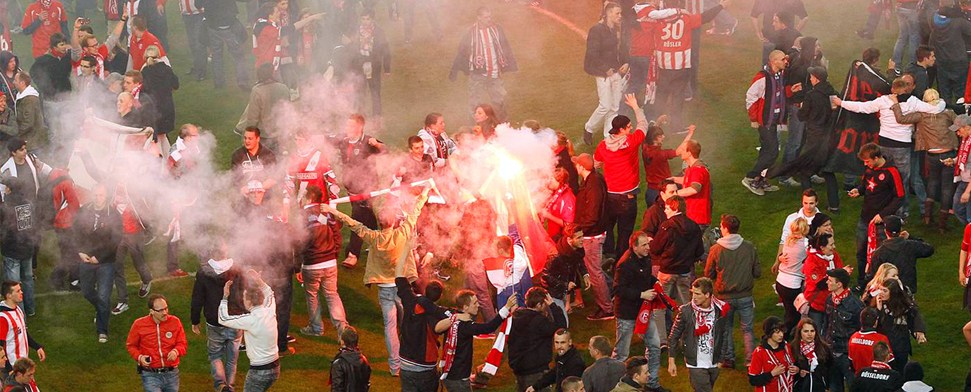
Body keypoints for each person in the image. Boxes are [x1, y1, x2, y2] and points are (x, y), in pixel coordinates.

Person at [322, 186, 430, 377]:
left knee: (390, 328)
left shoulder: (373, 238)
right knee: (408, 323)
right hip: (403, 288)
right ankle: (408, 358)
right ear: (394, 222)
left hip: (385, 290)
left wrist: (332, 210)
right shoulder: (403, 232)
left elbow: (352, 223)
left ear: (380, 224)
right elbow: (415, 211)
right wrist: (425, 192)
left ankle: (395, 366)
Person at [612, 230, 673, 392]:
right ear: (634, 247)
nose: (648, 247)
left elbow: (645, 277)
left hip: (644, 312)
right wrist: (641, 294)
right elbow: (618, 289)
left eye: (648, 243)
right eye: (644, 244)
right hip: (626, 315)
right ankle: (615, 385)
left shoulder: (645, 258)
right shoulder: (624, 264)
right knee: (621, 353)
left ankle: (652, 383)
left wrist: (655, 282)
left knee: (654, 346)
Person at [891, 89, 958, 229]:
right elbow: (959, 127)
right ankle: (942, 224)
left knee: (932, 182)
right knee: (946, 187)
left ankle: (928, 218)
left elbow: (901, 119)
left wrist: (895, 105)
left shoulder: (921, 115)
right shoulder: (948, 113)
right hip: (948, 154)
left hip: (931, 154)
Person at [704, 214, 760, 369]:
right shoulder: (749, 247)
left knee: (726, 328)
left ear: (725, 228)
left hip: (723, 297)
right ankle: (750, 361)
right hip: (745, 296)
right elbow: (757, 272)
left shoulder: (716, 249)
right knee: (747, 329)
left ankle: (728, 359)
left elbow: (708, 274)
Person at [595, 93, 646, 259]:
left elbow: (596, 164)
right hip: (627, 197)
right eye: (628, 127)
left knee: (608, 227)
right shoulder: (630, 142)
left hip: (610, 195)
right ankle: (620, 259)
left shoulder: (603, 145)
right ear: (622, 129)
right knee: (625, 231)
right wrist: (635, 106)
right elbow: (643, 125)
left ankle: (608, 255)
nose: (631, 129)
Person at [331, 113, 385, 269]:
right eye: (347, 125)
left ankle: (352, 253)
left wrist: (377, 145)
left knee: (357, 218)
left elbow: (385, 151)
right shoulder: (344, 140)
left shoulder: (368, 141)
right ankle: (379, 241)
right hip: (351, 186)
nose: (348, 128)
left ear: (360, 127)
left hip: (366, 187)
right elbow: (328, 140)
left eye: (352, 126)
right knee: (367, 215)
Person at [848, 143, 905, 289]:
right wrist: (858, 191)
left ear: (877, 157)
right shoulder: (869, 169)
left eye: (867, 161)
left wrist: (883, 214)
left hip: (881, 223)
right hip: (865, 219)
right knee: (861, 252)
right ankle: (862, 282)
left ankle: (877, 284)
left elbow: (900, 197)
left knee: (878, 255)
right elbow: (866, 185)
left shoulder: (892, 172)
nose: (865, 164)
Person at [435, 291, 517, 392]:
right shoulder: (466, 326)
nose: (478, 305)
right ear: (465, 307)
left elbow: (435, 309)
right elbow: (488, 327)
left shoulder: (452, 315)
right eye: (474, 303)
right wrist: (506, 307)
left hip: (450, 374)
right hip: (459, 379)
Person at [190, 240, 243, 392]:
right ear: (226, 252)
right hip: (235, 320)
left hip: (214, 321)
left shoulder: (203, 272)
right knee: (232, 358)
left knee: (215, 355)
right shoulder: (237, 269)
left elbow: (197, 298)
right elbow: (244, 294)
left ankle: (220, 385)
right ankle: (230, 386)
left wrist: (195, 320)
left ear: (212, 253)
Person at [449, 6, 517, 122]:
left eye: (490, 16)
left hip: (494, 73)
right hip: (477, 74)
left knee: (500, 101)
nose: (489, 19)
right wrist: (454, 70)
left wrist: (512, 65)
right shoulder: (471, 32)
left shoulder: (496, 29)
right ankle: (474, 129)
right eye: (486, 17)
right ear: (479, 18)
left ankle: (503, 127)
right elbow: (462, 51)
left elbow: (505, 46)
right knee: (475, 104)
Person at [297, 185, 348, 338]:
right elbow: (337, 236)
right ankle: (343, 330)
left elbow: (301, 242)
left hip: (312, 264)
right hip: (330, 262)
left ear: (310, 198)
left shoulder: (303, 215)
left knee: (312, 295)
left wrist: (300, 264)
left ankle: (316, 328)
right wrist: (334, 254)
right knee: (332, 294)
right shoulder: (328, 212)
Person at [219, 269, 280, 392]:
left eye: (244, 298)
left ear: (249, 301)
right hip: (275, 368)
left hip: (259, 371)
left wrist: (225, 296)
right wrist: (259, 281)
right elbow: (270, 293)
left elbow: (223, 319)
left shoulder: (250, 320)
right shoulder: (270, 309)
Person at [75, 184, 121, 343]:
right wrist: (80, 251)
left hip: (106, 262)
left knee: (103, 295)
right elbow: (76, 233)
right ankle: (102, 310)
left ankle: (102, 330)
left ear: (106, 196)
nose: (98, 197)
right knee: (87, 292)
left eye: (101, 195)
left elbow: (115, 240)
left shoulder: (113, 215)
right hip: (86, 260)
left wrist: (99, 257)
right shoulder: (83, 211)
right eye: (95, 194)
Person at [667, 277, 729, 392]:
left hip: (714, 362)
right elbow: (674, 336)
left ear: (707, 295)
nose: (694, 297)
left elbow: (724, 335)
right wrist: (671, 361)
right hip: (696, 364)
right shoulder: (686, 311)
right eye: (693, 293)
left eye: (697, 294)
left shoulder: (720, 310)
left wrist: (721, 359)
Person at [395, 255, 447, 391]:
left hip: (406, 363)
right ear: (440, 296)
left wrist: (406, 249)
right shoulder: (439, 314)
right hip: (426, 366)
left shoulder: (410, 301)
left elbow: (399, 275)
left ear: (425, 290)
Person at [572, 153, 614, 321]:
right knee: (597, 269)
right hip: (594, 232)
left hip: (592, 235)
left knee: (594, 272)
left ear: (581, 167)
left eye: (577, 164)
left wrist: (579, 228)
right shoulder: (592, 179)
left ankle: (606, 308)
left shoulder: (593, 184)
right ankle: (612, 292)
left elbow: (593, 214)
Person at [742, 50, 789, 195]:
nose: (786, 61)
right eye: (783, 59)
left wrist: (790, 91)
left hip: (773, 120)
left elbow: (778, 94)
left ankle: (760, 180)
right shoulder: (762, 77)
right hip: (765, 122)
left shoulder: (779, 75)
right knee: (773, 152)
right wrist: (754, 119)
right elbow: (750, 97)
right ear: (774, 61)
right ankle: (750, 178)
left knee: (766, 151)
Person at [582, 2, 627, 141]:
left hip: (615, 72)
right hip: (602, 73)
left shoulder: (614, 29)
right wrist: (605, 68)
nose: (620, 16)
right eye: (617, 13)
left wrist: (624, 63)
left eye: (620, 13)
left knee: (614, 107)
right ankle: (588, 128)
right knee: (605, 105)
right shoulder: (596, 30)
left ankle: (608, 135)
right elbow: (592, 54)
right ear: (608, 13)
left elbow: (617, 51)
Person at [508, 287, 568, 391]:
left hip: (519, 368)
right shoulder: (539, 321)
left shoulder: (516, 316)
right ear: (539, 305)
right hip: (535, 371)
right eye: (544, 303)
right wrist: (553, 306)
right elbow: (561, 328)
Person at [126, 294, 188, 392]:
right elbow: (131, 345)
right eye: (160, 310)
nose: (165, 313)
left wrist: (176, 351)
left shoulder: (175, 322)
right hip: (150, 374)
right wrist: (140, 357)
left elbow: (182, 343)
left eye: (166, 308)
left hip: (172, 373)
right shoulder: (139, 324)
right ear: (151, 311)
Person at [652, 196, 705, 309]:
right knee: (685, 303)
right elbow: (699, 250)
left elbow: (655, 248)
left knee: (662, 303)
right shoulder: (694, 226)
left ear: (675, 209)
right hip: (685, 270)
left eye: (667, 208)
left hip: (667, 270)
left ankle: (663, 326)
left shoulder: (667, 226)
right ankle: (685, 325)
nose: (665, 211)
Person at [868, 215, 933, 293]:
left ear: (885, 231)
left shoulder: (879, 253)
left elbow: (872, 276)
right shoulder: (911, 246)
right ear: (901, 230)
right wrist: (910, 237)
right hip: (907, 291)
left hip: (888, 292)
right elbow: (929, 249)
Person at [824, 268, 864, 392]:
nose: (827, 282)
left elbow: (860, 329)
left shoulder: (855, 305)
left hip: (847, 354)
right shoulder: (829, 299)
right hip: (831, 351)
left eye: (830, 280)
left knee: (853, 387)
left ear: (839, 284)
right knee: (835, 387)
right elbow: (827, 323)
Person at [875, 278, 926, 372]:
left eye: (884, 290)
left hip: (900, 346)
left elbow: (915, 315)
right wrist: (879, 310)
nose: (881, 293)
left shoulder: (905, 306)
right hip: (885, 345)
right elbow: (879, 325)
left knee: (900, 371)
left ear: (893, 292)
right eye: (880, 289)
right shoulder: (880, 304)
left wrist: (919, 331)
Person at [197, 0, 250, 90]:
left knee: (216, 56)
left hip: (213, 25)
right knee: (238, 55)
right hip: (229, 24)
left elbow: (197, 4)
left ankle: (219, 83)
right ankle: (242, 81)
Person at [235, 64, 289, 151]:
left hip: (264, 135)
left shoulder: (257, 91)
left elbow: (252, 117)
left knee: (264, 161)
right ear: (272, 73)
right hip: (279, 133)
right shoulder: (284, 88)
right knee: (279, 160)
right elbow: (287, 112)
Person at [802, 234, 850, 329]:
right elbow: (820, 284)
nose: (834, 247)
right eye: (831, 245)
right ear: (822, 247)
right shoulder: (812, 261)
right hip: (817, 305)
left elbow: (840, 273)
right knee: (816, 331)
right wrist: (842, 273)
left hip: (833, 303)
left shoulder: (834, 256)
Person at [0, 282, 45, 380]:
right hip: (13, 367)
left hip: (22, 364)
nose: (22, 292)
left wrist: (37, 347)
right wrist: (9, 369)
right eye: (18, 291)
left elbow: (23, 332)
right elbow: (0, 347)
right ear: (9, 295)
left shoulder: (18, 309)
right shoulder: (3, 318)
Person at [641, 122, 693, 204]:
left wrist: (658, 123)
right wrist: (690, 133)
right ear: (655, 139)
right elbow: (679, 151)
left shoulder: (645, 148)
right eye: (660, 136)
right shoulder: (660, 154)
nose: (663, 137)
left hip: (650, 191)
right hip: (662, 192)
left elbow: (649, 135)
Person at [140, 45, 179, 147]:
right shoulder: (167, 69)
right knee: (163, 136)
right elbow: (176, 85)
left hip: (153, 109)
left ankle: (163, 160)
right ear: (159, 56)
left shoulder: (145, 71)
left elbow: (143, 90)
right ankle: (169, 159)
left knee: (156, 139)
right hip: (167, 107)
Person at [776, 216, 808, 336]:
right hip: (792, 284)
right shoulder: (805, 244)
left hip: (780, 281)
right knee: (795, 316)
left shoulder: (788, 240)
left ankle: (785, 333)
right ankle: (783, 336)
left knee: (788, 311)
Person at [748, 316, 798, 392]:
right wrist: (772, 374)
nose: (781, 335)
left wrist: (796, 369)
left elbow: (793, 364)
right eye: (777, 332)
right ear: (769, 333)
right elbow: (753, 380)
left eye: (782, 331)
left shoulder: (786, 346)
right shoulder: (759, 352)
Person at [791, 318, 832, 392]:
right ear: (800, 332)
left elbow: (830, 368)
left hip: (820, 387)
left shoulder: (824, 348)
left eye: (812, 331)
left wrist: (827, 386)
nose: (809, 334)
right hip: (800, 388)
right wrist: (799, 372)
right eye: (806, 331)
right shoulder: (793, 348)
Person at [848, 307, 893, 375]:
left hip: (859, 378)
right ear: (876, 321)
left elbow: (851, 363)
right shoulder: (881, 339)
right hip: (878, 378)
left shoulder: (853, 337)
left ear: (861, 320)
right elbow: (890, 361)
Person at [29, 32, 72, 101]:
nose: (64, 47)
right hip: (50, 97)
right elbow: (33, 72)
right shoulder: (44, 60)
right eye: (61, 45)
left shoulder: (67, 57)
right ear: (55, 47)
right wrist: (44, 86)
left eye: (65, 44)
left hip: (65, 94)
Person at [330, 326, 372, 392]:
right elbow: (366, 384)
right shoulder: (364, 360)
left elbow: (337, 388)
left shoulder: (339, 363)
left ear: (343, 342)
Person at [13, 73, 48, 151]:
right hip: (30, 139)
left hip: (33, 141)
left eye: (15, 80)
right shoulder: (21, 96)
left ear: (22, 83)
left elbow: (28, 122)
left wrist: (16, 134)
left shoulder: (29, 99)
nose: (13, 82)